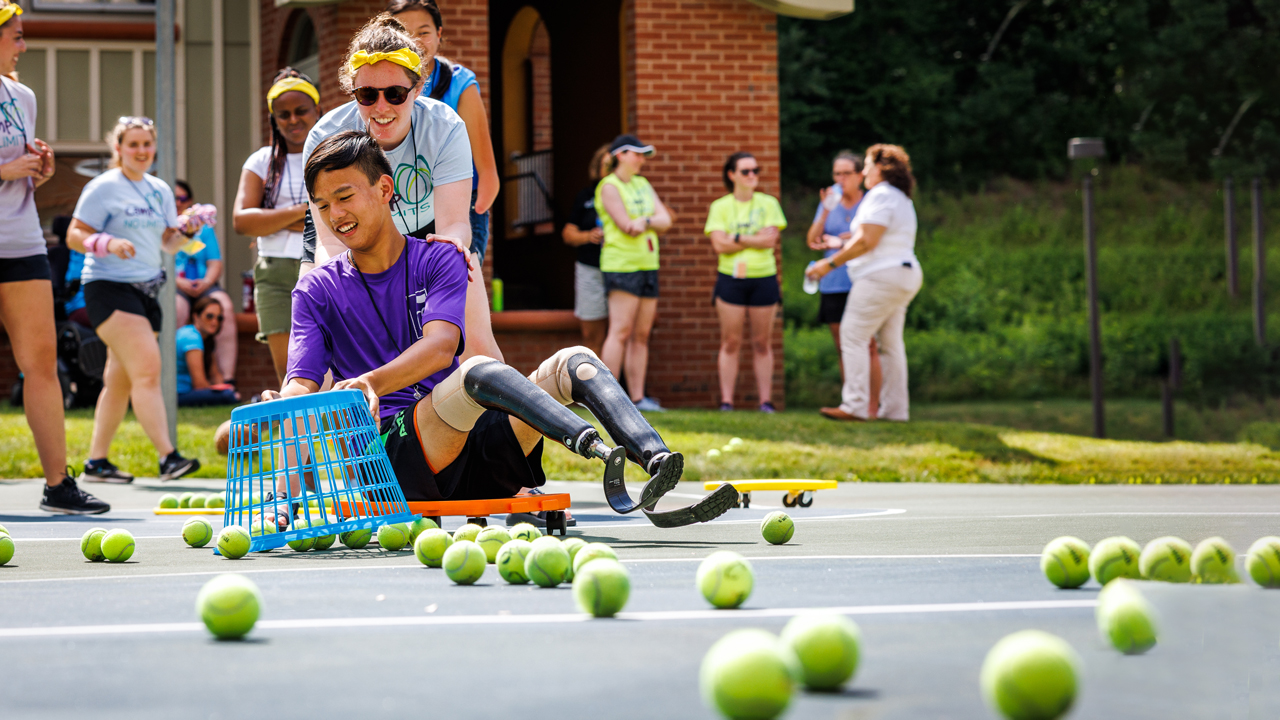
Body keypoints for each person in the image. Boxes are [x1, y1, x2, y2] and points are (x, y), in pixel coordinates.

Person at [269, 131, 732, 530]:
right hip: (390, 462)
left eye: (344, 197)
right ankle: (593, 449)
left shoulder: (440, 258)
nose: (334, 216)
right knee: (479, 373)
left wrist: (370, 380)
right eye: (323, 205)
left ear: (385, 188)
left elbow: (440, 347)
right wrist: (286, 418)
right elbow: (301, 384)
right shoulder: (314, 288)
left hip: (479, 455)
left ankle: (655, 463)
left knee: (574, 361)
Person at [301, 14, 502, 365]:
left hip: (429, 234)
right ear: (353, 93)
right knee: (323, 337)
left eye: (395, 94)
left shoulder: (445, 128)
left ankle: (505, 415)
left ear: (417, 88)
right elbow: (330, 242)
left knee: (478, 346)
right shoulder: (325, 138)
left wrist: (449, 257)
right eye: (366, 94)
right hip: (345, 236)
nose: (381, 108)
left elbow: (455, 225)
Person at [0, 0, 109, 513]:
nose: (23, 45)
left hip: (20, 240)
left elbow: (20, 168)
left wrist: (37, 170)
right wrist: (6, 168)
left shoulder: (23, 96)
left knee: (41, 362)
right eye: (16, 36)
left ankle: (57, 486)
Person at [66, 116, 203, 482]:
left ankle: (96, 463)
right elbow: (73, 235)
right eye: (133, 145)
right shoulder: (103, 187)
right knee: (147, 369)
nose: (141, 151)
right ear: (119, 149)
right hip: (108, 287)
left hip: (147, 290)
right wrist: (106, 243)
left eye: (147, 144)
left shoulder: (159, 189)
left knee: (120, 381)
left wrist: (192, 229)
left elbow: (169, 244)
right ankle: (168, 457)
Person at [805, 144, 923, 422]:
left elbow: (867, 242)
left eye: (868, 166)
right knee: (890, 345)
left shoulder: (880, 195)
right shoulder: (899, 197)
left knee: (853, 335)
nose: (866, 171)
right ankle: (895, 410)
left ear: (880, 168)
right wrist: (841, 242)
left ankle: (855, 405)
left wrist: (829, 263)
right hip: (903, 273)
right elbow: (874, 237)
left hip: (880, 276)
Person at [387, 0, 499, 267]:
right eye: (403, 32)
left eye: (423, 31)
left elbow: (488, 175)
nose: (414, 40)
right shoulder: (381, 83)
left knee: (454, 288)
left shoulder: (460, 83)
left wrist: (470, 217)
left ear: (439, 34)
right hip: (401, 208)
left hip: (456, 205)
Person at [232, 67, 319, 384]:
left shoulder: (332, 154)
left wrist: (272, 220)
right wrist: (304, 211)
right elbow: (242, 221)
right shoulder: (261, 161)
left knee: (328, 366)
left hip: (322, 267)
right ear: (273, 119)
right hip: (274, 275)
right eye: (283, 115)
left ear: (317, 110)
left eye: (301, 111)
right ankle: (300, 433)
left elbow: (333, 220)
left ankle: (331, 433)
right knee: (288, 371)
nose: (293, 120)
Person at [704, 152, 786, 413]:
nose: (753, 176)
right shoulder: (720, 206)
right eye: (746, 171)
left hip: (764, 277)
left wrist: (736, 237)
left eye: (756, 170)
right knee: (731, 342)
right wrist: (752, 238)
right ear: (732, 175)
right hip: (730, 279)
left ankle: (766, 402)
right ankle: (727, 402)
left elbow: (770, 240)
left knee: (762, 342)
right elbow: (719, 245)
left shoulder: (769, 203)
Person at [596, 134, 672, 412]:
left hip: (648, 264)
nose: (641, 159)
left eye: (643, 155)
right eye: (637, 154)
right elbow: (627, 225)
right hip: (621, 265)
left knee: (641, 334)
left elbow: (665, 220)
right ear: (620, 155)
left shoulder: (642, 184)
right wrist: (647, 222)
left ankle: (638, 399)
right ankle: (606, 398)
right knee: (620, 331)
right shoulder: (609, 186)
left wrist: (648, 220)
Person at [806, 151, 880, 416]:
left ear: (860, 175)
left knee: (868, 344)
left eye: (846, 173)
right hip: (833, 282)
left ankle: (872, 406)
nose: (841, 179)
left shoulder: (871, 202)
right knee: (844, 346)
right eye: (836, 174)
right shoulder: (830, 202)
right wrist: (825, 209)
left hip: (863, 278)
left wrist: (853, 239)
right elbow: (813, 240)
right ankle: (851, 402)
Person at [173, 180, 236, 384]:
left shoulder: (203, 228)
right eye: (172, 198)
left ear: (190, 202)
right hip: (175, 287)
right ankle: (177, 379)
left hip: (204, 285)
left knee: (223, 307)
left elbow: (215, 262)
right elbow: (156, 265)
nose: (177, 203)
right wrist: (177, 283)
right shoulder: (163, 228)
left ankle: (226, 381)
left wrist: (207, 282)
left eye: (181, 198)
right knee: (177, 309)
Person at [562, 144, 610, 355]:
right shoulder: (586, 196)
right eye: (607, 165)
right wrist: (587, 236)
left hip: (622, 271)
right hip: (591, 269)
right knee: (592, 337)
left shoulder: (633, 193)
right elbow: (568, 233)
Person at [177, 295, 240, 406]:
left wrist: (223, 386)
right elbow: (199, 384)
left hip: (186, 393)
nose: (214, 322)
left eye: (219, 318)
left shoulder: (206, 339)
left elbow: (215, 375)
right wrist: (222, 391)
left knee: (229, 392)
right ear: (196, 316)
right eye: (209, 316)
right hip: (177, 395)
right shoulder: (191, 337)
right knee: (228, 396)